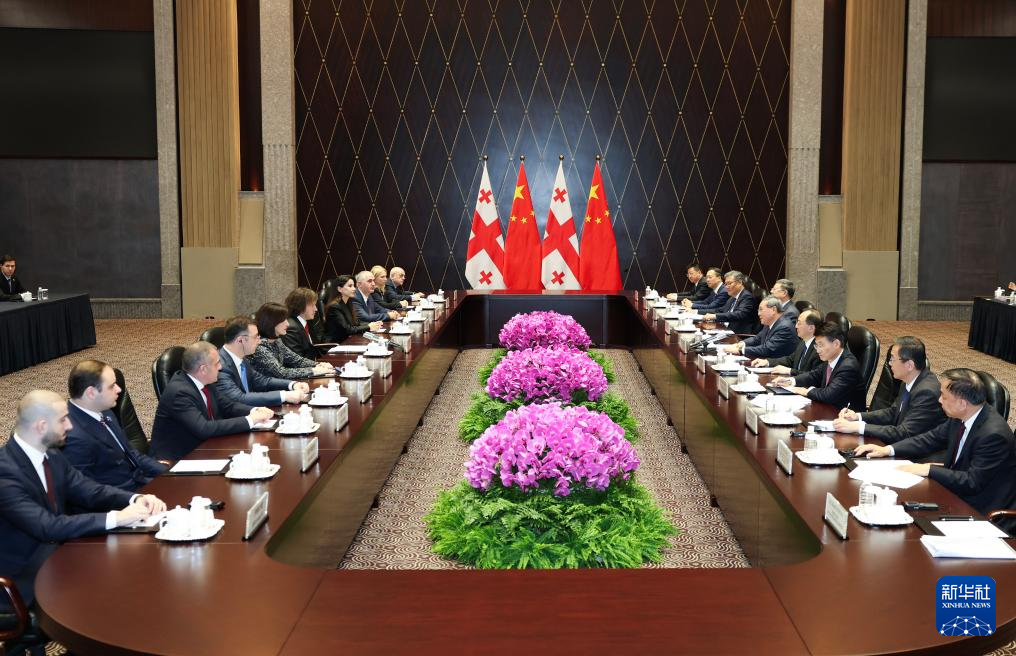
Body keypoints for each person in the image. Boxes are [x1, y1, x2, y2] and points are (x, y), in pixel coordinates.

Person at [0, 390, 166, 606]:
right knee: (115, 595)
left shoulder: (51, 454)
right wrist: (117, 518)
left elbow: (88, 490)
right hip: (23, 578)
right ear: (41, 426)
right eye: (63, 420)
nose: (70, 426)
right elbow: (48, 526)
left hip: (60, 555)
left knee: (137, 573)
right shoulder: (5, 472)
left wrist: (134, 499)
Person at [854, 368, 1016, 531]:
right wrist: (888, 450)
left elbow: (972, 482)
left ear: (962, 403)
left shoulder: (994, 435)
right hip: (954, 494)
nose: (939, 400)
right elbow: (931, 439)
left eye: (944, 397)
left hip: (979, 510)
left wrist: (928, 469)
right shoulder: (961, 416)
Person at [149, 342, 274, 461]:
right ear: (203, 369)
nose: (221, 367)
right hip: (178, 458)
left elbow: (228, 406)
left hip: (206, 446)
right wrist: (250, 420)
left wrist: (255, 410)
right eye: (217, 363)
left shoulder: (205, 381)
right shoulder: (180, 393)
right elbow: (204, 428)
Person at [62, 360, 168, 491]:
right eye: (112, 386)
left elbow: (131, 453)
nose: (119, 389)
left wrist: (171, 472)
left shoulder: (104, 410)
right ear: (91, 393)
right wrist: (135, 498)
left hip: (140, 481)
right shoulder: (73, 436)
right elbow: (88, 491)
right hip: (122, 496)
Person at [833, 337, 946, 444]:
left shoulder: (926, 393)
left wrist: (859, 427)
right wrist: (857, 416)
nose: (890, 363)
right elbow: (894, 412)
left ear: (909, 365)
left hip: (918, 453)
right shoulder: (908, 380)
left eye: (892, 359)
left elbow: (904, 433)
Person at [772, 321, 867, 410]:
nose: (817, 350)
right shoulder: (831, 358)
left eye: (821, 345)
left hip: (844, 415)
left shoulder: (848, 367)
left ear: (836, 344)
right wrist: (790, 381)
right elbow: (813, 375)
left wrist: (807, 391)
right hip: (827, 409)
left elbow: (829, 395)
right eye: (816, 345)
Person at [216, 316, 309, 407]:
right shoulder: (219, 366)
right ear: (241, 340)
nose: (259, 341)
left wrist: (292, 384)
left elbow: (262, 381)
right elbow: (239, 398)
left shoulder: (241, 358)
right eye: (255, 337)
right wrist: (284, 395)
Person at [249, 303, 335, 380]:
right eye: (283, 320)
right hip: (269, 391)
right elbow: (282, 373)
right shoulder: (260, 347)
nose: (287, 324)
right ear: (271, 323)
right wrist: (313, 371)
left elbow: (297, 360)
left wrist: (318, 364)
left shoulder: (277, 341)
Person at [753, 308, 824, 375]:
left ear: (811, 328)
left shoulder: (819, 349)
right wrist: (767, 362)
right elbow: (790, 360)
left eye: (799, 323)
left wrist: (789, 371)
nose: (796, 326)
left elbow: (813, 376)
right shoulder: (803, 342)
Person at [725, 296, 798, 359]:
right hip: (764, 360)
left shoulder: (784, 327)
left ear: (773, 310)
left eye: (761, 309)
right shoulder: (769, 323)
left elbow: (767, 349)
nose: (759, 314)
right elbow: (757, 339)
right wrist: (741, 344)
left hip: (776, 365)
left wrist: (740, 350)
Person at [326, 274, 383, 342]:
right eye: (350, 286)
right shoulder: (334, 307)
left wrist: (373, 324)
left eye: (354, 286)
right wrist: (368, 327)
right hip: (339, 343)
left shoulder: (349, 302)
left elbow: (356, 323)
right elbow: (347, 329)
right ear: (340, 289)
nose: (354, 289)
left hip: (350, 339)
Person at [281, 287, 326, 359]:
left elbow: (315, 348)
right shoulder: (290, 328)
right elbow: (296, 359)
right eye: (312, 305)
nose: (316, 309)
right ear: (300, 306)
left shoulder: (308, 322)